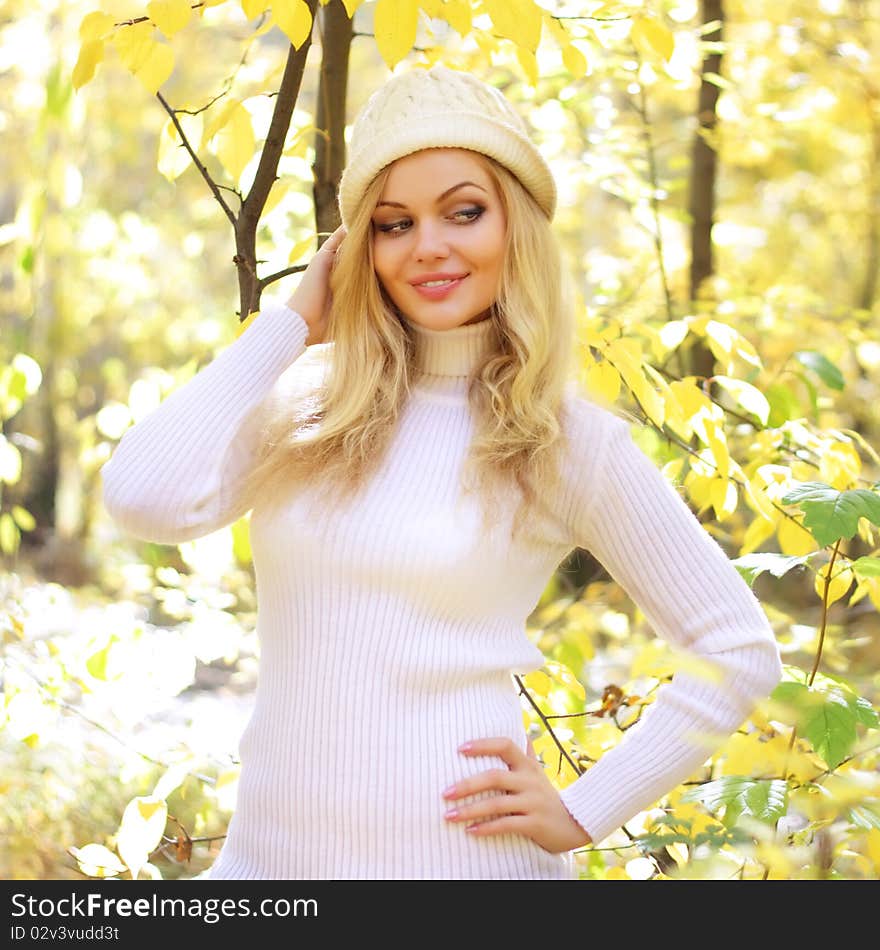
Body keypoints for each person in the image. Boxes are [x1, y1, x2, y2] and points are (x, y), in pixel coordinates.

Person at [100, 64, 783, 880]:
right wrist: (286, 330)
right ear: (359, 250)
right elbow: (140, 497)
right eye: (393, 224)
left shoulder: (563, 439)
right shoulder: (309, 402)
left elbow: (738, 647)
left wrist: (585, 809)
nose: (429, 246)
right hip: (268, 869)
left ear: (515, 229)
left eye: (464, 212)